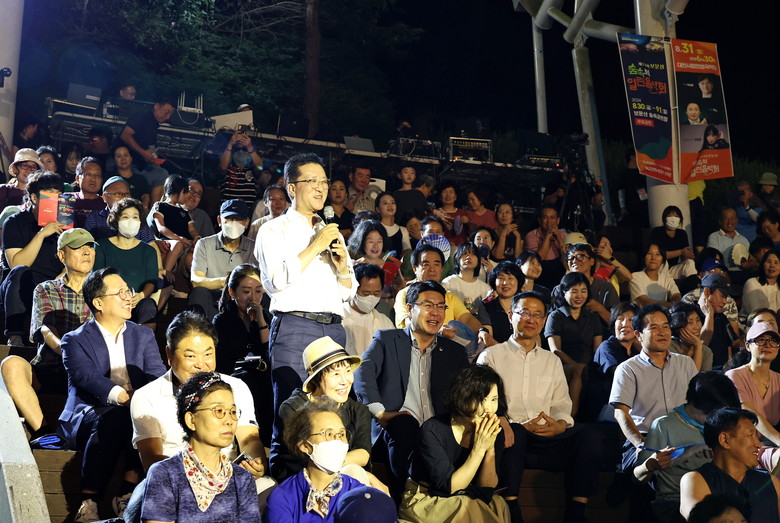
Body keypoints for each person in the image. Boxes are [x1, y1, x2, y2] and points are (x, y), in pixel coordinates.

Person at [129, 310, 270, 522]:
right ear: (169, 355)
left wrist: (255, 462)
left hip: (229, 475)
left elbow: (250, 439)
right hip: (173, 479)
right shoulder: (146, 396)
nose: (201, 364)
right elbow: (152, 461)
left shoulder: (236, 387)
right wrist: (201, 475)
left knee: (269, 489)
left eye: (208, 354)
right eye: (190, 356)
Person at [477, 290, 603, 523]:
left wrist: (560, 424)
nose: (531, 319)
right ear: (510, 316)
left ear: (544, 321)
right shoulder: (490, 357)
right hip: (510, 439)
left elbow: (562, 403)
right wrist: (512, 424)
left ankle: (576, 512)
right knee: (515, 431)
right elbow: (483, 404)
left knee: (589, 435)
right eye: (524, 313)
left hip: (546, 439)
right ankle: (511, 507)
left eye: (537, 315)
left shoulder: (551, 360)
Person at [254, 153, 356, 434]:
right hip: (296, 327)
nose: (321, 188)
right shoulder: (273, 230)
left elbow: (348, 293)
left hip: (334, 330)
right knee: (292, 414)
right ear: (292, 188)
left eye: (324, 181)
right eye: (312, 181)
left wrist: (343, 268)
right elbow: (275, 281)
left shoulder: (331, 231)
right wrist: (315, 246)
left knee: (330, 415)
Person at [58, 267, 167, 521]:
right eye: (120, 293)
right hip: (88, 414)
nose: (129, 297)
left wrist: (141, 402)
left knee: (136, 418)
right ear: (98, 303)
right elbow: (88, 379)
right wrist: (131, 400)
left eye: (128, 291)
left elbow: (156, 376)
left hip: (133, 412)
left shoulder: (143, 334)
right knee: (118, 417)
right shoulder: (74, 340)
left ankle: (126, 493)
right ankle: (91, 502)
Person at [353, 280, 470, 499]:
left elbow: (472, 389)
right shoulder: (387, 340)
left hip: (440, 432)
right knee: (404, 423)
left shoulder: (454, 351)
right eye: (428, 305)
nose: (435, 312)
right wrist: (380, 413)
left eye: (441, 306)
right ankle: (403, 498)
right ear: (409, 308)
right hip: (397, 429)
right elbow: (362, 374)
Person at [0, 228, 94, 447]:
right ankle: (45, 433)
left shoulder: (103, 289)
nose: (87, 252)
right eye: (78, 248)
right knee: (11, 364)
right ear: (62, 255)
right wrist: (67, 351)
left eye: (90, 247)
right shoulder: (47, 289)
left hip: (88, 373)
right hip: (50, 367)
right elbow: (45, 329)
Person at [140, 372, 261, 522]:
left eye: (233, 412)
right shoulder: (166, 474)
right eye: (219, 411)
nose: (229, 420)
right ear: (191, 420)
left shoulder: (242, 478)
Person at [399, 364, 510, 523]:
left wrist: (490, 448)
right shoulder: (433, 430)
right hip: (425, 498)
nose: (488, 408)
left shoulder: (492, 429)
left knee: (498, 503)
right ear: (463, 397)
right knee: (467, 506)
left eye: (493, 400)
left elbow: (486, 488)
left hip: (466, 495)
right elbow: (450, 488)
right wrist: (479, 448)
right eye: (481, 399)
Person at [270, 336, 379, 487]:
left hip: (344, 476)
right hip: (298, 478)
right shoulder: (294, 408)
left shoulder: (358, 410)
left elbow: (362, 454)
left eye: (348, 371)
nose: (345, 381)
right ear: (315, 378)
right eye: (336, 374)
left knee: (354, 472)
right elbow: (306, 459)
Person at [633, 373, 741, 521]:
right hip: (676, 501)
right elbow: (637, 478)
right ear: (695, 405)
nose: (717, 420)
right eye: (711, 414)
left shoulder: (724, 424)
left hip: (721, 498)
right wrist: (650, 465)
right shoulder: (664, 425)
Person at [610, 304, 699, 472]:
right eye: (654, 327)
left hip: (684, 438)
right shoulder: (628, 369)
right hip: (646, 438)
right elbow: (620, 413)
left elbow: (698, 404)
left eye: (665, 326)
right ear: (638, 335)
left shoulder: (686, 363)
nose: (662, 332)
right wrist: (642, 445)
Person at [263, 399, 385, 521]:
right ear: (305, 446)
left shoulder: (358, 493)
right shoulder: (282, 498)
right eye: (328, 434)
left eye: (342, 434)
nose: (338, 440)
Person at [680, 408, 780, 522]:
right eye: (750, 435)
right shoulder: (695, 480)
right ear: (725, 440)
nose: (758, 444)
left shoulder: (771, 482)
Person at [1, 170, 65, 346]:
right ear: (34, 198)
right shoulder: (14, 222)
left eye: (58, 195)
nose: (55, 200)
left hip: (53, 283)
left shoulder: (65, 225)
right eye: (49, 195)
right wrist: (42, 234)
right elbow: (17, 264)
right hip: (20, 285)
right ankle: (15, 337)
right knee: (20, 272)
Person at [210, 264, 273, 443]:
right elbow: (223, 360)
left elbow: (269, 350)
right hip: (236, 376)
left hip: (263, 376)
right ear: (232, 293)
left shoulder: (266, 318)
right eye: (246, 291)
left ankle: (268, 442)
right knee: (248, 380)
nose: (253, 297)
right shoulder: (222, 320)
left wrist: (260, 319)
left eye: (258, 291)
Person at [93, 198, 159, 327]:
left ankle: (146, 340)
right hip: (109, 300)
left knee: (149, 305)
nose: (130, 221)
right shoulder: (101, 246)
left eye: (135, 217)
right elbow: (96, 279)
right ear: (116, 220)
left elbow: (152, 282)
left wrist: (141, 296)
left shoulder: (149, 251)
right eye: (125, 217)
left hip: (136, 302)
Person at [545, 271, 603, 417]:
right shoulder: (555, 316)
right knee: (578, 370)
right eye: (574, 291)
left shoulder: (592, 317)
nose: (579, 296)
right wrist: (577, 365)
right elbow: (555, 350)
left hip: (588, 365)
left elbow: (598, 349)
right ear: (564, 292)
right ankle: (571, 415)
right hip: (562, 365)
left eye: (583, 291)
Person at [725, 321, 780, 473]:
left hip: (768, 443)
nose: (768, 345)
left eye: (773, 341)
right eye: (761, 340)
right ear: (748, 346)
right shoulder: (734, 376)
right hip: (742, 445)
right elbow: (752, 415)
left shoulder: (778, 379)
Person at [189, 199, 256, 319]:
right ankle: (197, 329)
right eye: (229, 218)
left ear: (246, 223)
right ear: (219, 220)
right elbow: (196, 280)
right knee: (199, 293)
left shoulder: (255, 247)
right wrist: (226, 282)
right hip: (213, 298)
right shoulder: (204, 244)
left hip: (244, 301)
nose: (234, 223)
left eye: (239, 219)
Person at [117, 98, 175, 204]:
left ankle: (154, 209)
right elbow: (125, 135)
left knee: (162, 173)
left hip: (140, 165)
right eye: (166, 112)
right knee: (161, 175)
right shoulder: (142, 116)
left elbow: (150, 151)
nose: (167, 117)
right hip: (125, 164)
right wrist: (143, 153)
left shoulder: (153, 127)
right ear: (157, 106)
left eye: (170, 115)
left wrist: (154, 160)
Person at [590, 303, 640, 421]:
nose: (625, 324)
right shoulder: (607, 346)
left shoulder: (635, 352)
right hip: (605, 407)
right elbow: (621, 374)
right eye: (620, 319)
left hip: (629, 404)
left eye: (630, 320)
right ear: (614, 324)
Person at [149, 175, 200, 280]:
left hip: (186, 243)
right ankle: (166, 271)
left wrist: (197, 237)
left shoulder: (185, 212)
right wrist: (178, 238)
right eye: (185, 192)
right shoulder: (160, 206)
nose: (187, 195)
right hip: (169, 242)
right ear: (178, 191)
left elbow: (191, 229)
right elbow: (161, 227)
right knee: (177, 244)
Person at [341, 263, 394, 357]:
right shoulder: (338, 317)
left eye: (376, 293)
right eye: (366, 293)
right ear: (353, 289)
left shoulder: (384, 322)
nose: (371, 297)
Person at [84, 175, 156, 242]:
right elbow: (87, 244)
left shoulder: (137, 217)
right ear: (105, 197)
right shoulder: (94, 218)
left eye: (126, 194)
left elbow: (149, 243)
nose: (123, 198)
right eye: (118, 194)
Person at [442, 241, 493, 316]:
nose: (468, 257)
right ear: (457, 258)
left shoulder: (485, 289)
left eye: (473, 254)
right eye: (464, 253)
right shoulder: (448, 283)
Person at [524, 204, 566, 289]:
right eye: (545, 218)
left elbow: (567, 259)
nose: (549, 221)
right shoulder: (531, 235)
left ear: (558, 220)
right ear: (539, 220)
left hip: (559, 272)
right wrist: (548, 236)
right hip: (540, 272)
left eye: (552, 218)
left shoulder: (563, 235)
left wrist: (559, 239)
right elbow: (538, 259)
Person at [650, 205, 697, 279]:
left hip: (672, 269)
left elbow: (684, 256)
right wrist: (681, 252)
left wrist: (688, 254)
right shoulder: (657, 231)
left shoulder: (682, 233)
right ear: (664, 219)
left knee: (690, 263)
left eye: (676, 216)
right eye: (669, 216)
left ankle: (693, 284)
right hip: (659, 268)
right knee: (664, 264)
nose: (673, 219)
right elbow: (658, 255)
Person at [482, 262, 524, 344]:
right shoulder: (486, 307)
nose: (505, 283)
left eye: (510, 278)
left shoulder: (525, 307)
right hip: (496, 350)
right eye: (501, 278)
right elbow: (488, 340)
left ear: (518, 281)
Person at [630, 243, 682, 307]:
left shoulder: (666, 277)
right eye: (649, 253)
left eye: (658, 254)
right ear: (644, 257)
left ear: (662, 260)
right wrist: (671, 305)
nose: (653, 258)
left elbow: (676, 295)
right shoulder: (635, 277)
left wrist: (678, 303)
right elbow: (645, 301)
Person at [219, 130, 261, 205]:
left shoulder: (251, 167)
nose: (241, 139)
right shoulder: (229, 164)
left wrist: (249, 147)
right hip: (228, 209)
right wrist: (230, 143)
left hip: (247, 209)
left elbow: (260, 168)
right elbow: (223, 167)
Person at [669, 302, 712, 371]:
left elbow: (704, 377)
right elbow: (690, 375)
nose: (697, 327)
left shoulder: (706, 351)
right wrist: (698, 345)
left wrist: (698, 346)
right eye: (690, 322)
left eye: (698, 320)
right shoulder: (669, 348)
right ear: (678, 326)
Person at [742, 249, 780, 315]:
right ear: (763, 264)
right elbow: (755, 312)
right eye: (768, 262)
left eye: (776, 263)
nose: (772, 266)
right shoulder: (752, 283)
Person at [433, 181, 469, 246]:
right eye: (444, 192)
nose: (448, 195)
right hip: (441, 246)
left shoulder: (463, 213)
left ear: (456, 197)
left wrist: (468, 222)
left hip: (460, 247)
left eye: (451, 192)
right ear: (440, 197)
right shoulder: (435, 213)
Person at [375, 191, 411, 257]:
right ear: (378, 209)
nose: (390, 206)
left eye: (392, 203)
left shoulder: (403, 230)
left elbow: (407, 254)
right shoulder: (374, 228)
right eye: (385, 203)